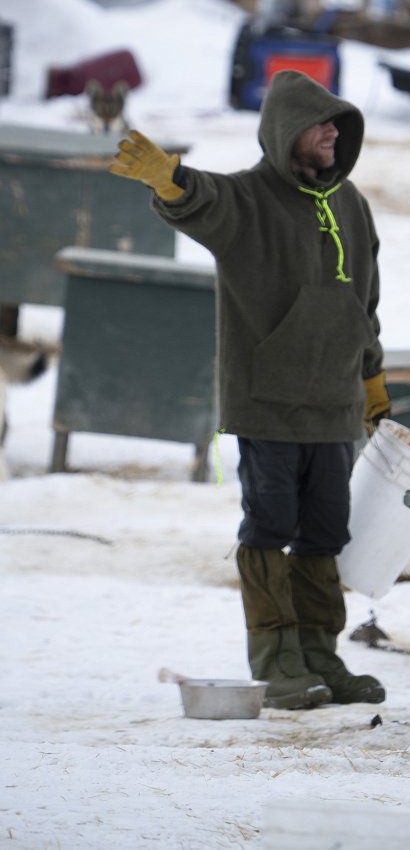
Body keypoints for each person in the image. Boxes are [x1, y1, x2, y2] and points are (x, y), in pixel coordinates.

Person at [109, 70, 392, 710]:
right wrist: (168, 178)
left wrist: (371, 378)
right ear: (286, 132)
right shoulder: (248, 200)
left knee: (325, 533)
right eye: (321, 124)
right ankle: (278, 661)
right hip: (268, 400)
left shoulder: (351, 203)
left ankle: (322, 655)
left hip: (334, 406)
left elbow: (365, 302)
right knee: (270, 527)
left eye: (339, 125)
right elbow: (200, 198)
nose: (332, 133)